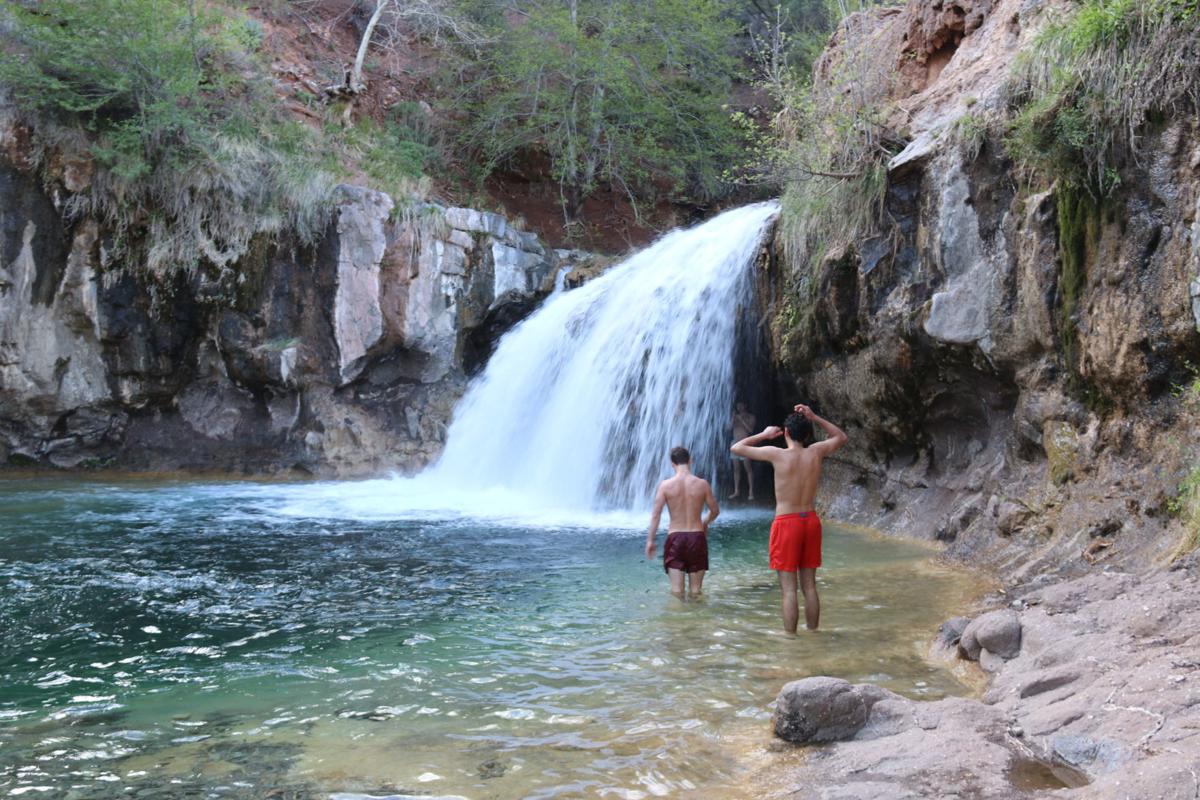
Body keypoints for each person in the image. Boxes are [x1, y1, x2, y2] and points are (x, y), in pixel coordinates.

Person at [730, 403, 848, 632]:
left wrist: (764, 435)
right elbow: (841, 436)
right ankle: (813, 633)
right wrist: (815, 417)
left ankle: (791, 640)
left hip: (787, 523)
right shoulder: (816, 452)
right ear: (808, 434)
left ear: (785, 433)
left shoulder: (776, 454)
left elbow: (736, 447)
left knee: (788, 590)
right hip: (811, 521)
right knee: (810, 587)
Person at [645, 446, 720, 599]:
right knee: (696, 591)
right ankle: (698, 621)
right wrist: (705, 522)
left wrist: (650, 540)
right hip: (697, 538)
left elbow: (655, 515)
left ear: (672, 463)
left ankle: (679, 622)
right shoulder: (702, 484)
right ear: (690, 461)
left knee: (677, 592)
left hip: (675, 539)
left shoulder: (665, 485)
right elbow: (715, 511)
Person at [729, 401, 757, 500]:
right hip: (734, 443)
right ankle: (736, 491)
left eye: (741, 405)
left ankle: (751, 492)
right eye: (738, 405)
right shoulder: (735, 417)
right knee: (736, 468)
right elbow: (728, 428)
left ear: (745, 405)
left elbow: (750, 430)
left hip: (745, 443)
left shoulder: (751, 417)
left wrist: (742, 420)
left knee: (748, 468)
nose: (739, 407)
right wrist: (733, 419)